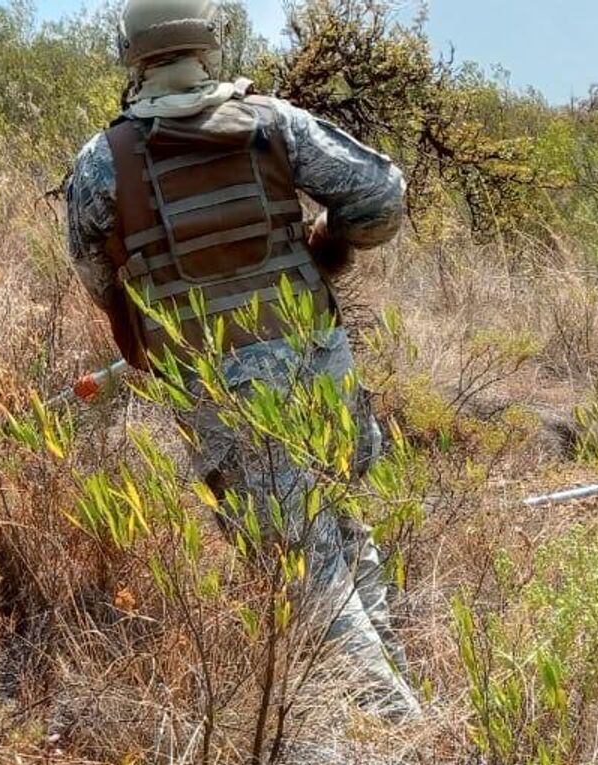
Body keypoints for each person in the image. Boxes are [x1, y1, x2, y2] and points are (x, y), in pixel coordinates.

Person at [64, 0, 421, 721]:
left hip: (223, 390)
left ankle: (399, 729)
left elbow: (96, 277)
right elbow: (382, 197)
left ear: (132, 54)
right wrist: (332, 242)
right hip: (319, 365)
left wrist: (145, 324)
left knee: (304, 566)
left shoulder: (104, 161)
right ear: (210, 42)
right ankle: (390, 668)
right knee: (339, 522)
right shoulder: (274, 123)